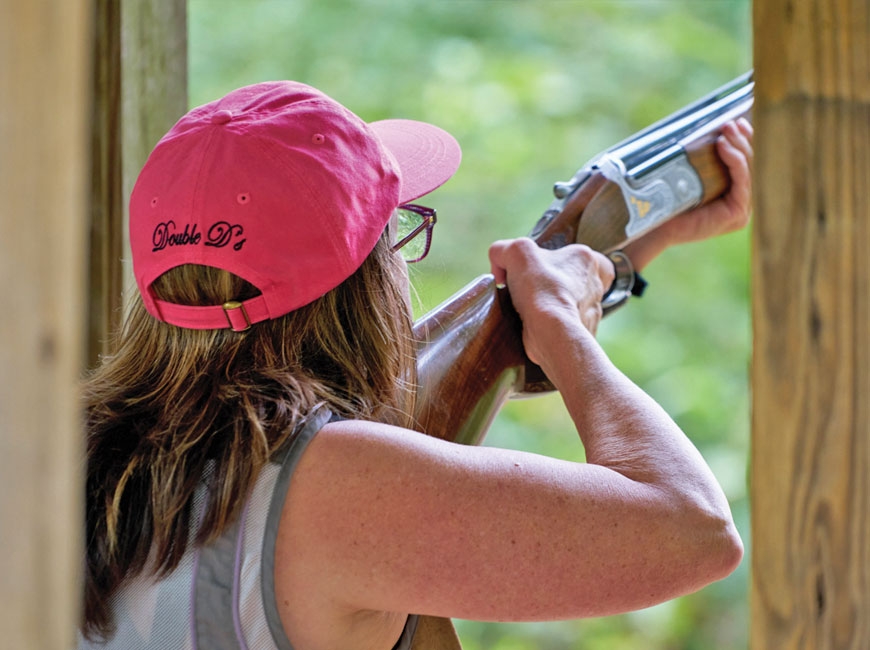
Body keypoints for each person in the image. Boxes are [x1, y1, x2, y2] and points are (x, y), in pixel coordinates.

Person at [80, 80, 753, 650]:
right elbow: (695, 531)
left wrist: (630, 247)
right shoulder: (332, 485)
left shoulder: (62, 449)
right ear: (366, 283)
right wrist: (563, 332)